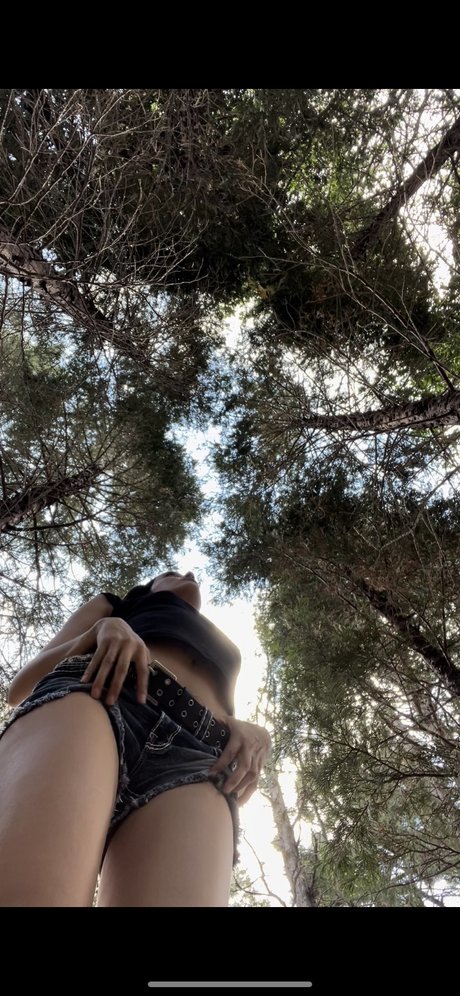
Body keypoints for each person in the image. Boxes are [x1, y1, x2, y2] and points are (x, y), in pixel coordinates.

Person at [0, 570, 271, 907]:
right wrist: (100, 629)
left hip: (201, 752)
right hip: (101, 692)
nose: (188, 574)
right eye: (171, 572)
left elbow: (219, 701)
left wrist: (246, 729)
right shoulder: (116, 605)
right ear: (148, 588)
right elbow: (19, 688)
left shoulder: (226, 646)